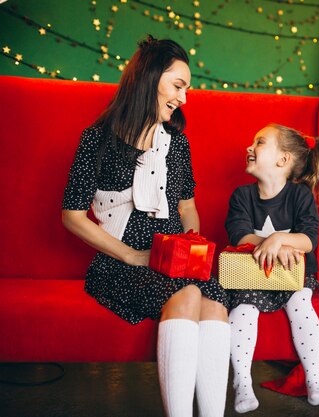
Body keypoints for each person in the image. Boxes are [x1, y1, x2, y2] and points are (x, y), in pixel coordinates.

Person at [61, 35, 230, 417]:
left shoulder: (178, 143)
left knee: (216, 305)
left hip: (173, 257)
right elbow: (71, 215)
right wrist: (133, 256)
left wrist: (191, 245)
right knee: (188, 297)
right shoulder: (96, 139)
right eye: (178, 85)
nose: (183, 98)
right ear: (149, 78)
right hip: (121, 260)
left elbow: (187, 206)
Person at [224, 123, 319, 413]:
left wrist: (279, 239)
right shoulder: (242, 196)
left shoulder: (300, 196)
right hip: (252, 275)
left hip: (293, 275)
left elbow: (309, 239)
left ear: (282, 160)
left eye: (259, 142)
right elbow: (239, 235)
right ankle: (242, 383)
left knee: (301, 305)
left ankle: (314, 378)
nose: (249, 147)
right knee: (242, 311)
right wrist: (268, 244)